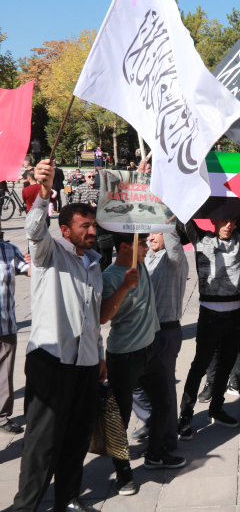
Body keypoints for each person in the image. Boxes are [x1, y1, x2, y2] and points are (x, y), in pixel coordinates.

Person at [14, 159, 106, 512]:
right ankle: (26, 505)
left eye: (94, 226)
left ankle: (68, 497)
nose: (92, 231)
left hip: (83, 362)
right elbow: (35, 230)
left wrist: (98, 354)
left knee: (76, 436)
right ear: (65, 230)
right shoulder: (48, 253)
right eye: (85, 226)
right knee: (42, 441)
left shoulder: (94, 263)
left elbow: (92, 317)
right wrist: (42, 193)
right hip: (50, 360)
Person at [101, 233, 185, 496]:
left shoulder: (143, 267)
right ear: (125, 246)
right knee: (120, 418)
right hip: (124, 357)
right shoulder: (110, 276)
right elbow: (103, 316)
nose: (147, 246)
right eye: (142, 243)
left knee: (164, 405)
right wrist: (124, 286)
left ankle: (155, 454)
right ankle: (123, 472)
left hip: (151, 352)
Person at [177, 214, 240, 438]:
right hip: (210, 315)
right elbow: (184, 219)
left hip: (235, 314)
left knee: (226, 366)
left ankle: (217, 409)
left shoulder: (239, 238)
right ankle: (186, 416)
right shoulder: (201, 239)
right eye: (224, 220)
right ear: (214, 221)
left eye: (232, 221)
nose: (229, 224)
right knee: (199, 366)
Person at [130, 228, 189, 453]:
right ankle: (154, 421)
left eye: (157, 233)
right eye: (149, 234)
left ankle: (167, 439)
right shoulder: (148, 258)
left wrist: (166, 217)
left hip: (165, 332)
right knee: (133, 382)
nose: (151, 237)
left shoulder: (175, 257)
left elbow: (173, 241)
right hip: (143, 331)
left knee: (165, 388)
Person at [0, 241, 30, 435]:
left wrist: (36, 260)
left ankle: (2, 416)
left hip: (5, 324)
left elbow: (29, 270)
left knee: (5, 372)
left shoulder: (9, 249)